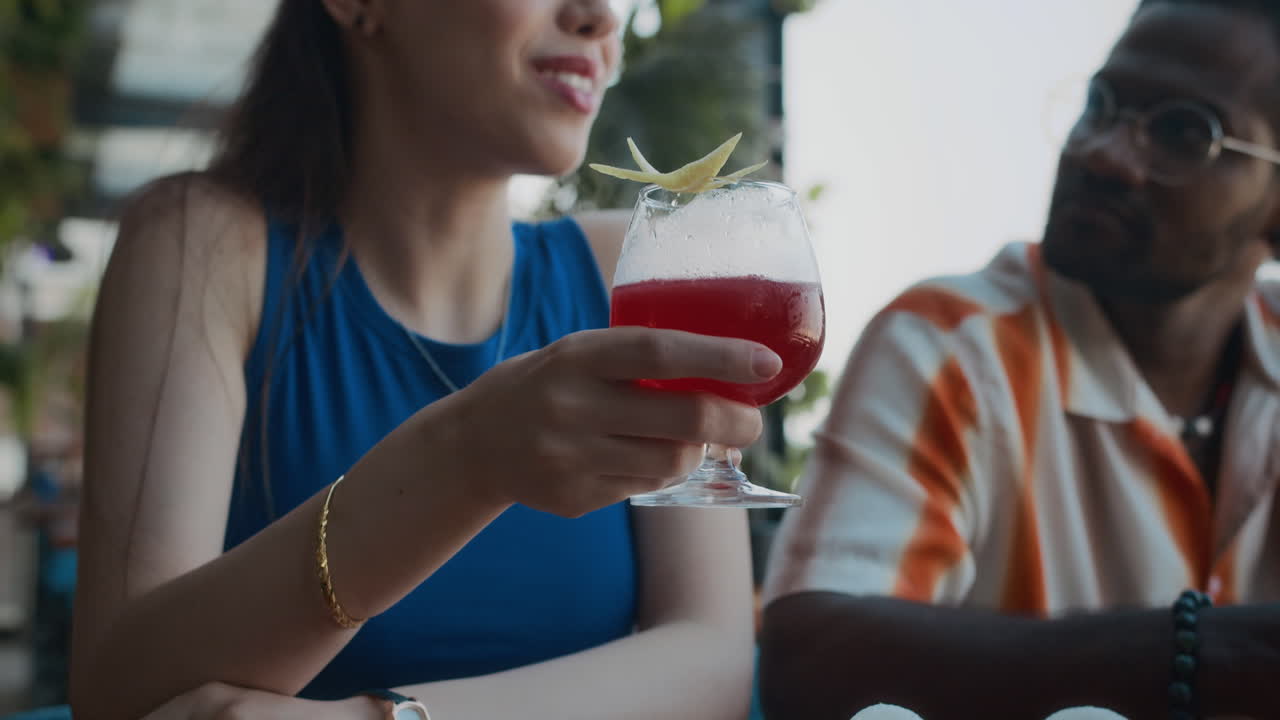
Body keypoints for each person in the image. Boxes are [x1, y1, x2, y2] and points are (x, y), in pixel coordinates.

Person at [70, 2, 769, 719]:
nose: (597, 17)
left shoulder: (634, 267)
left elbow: (710, 658)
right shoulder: (201, 247)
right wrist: (463, 459)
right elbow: (118, 693)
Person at [759, 1, 1280, 718]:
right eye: (1100, 104)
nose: (1103, 152)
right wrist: (1209, 653)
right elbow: (811, 656)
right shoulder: (952, 343)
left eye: (1184, 132)